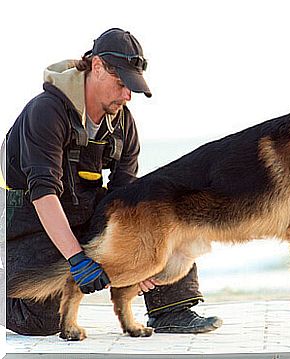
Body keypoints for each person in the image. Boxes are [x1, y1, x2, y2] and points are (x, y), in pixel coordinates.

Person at [2, 28, 222, 336]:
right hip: (28, 221)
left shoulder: (123, 122)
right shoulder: (46, 112)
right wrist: (77, 260)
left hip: (87, 212)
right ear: (96, 67)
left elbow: (128, 199)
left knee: (160, 220)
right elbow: (43, 193)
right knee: (43, 320)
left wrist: (141, 260)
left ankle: (172, 310)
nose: (127, 95)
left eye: (131, 87)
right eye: (121, 84)